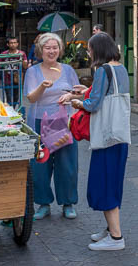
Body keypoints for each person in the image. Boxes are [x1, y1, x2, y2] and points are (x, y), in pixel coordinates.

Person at [60, 33, 129, 251]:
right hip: (120, 137)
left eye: (90, 50)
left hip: (106, 139)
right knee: (113, 183)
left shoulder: (101, 70)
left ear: (97, 50)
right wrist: (85, 91)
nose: (88, 53)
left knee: (104, 185)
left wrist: (77, 102)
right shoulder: (120, 68)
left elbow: (94, 104)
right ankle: (110, 229)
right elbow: (109, 94)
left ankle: (116, 238)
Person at [23, 32, 80, 220]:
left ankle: (68, 203)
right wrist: (42, 87)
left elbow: (78, 92)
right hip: (40, 122)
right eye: (47, 47)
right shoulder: (33, 71)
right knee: (41, 163)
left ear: (60, 50)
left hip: (65, 122)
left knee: (67, 163)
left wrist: (70, 96)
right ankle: (43, 203)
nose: (52, 51)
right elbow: (31, 97)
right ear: (40, 50)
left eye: (55, 47)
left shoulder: (68, 70)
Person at [0, 36, 28, 107]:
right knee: (9, 97)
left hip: (17, 79)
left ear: (17, 44)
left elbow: (25, 66)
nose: (13, 44)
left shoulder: (22, 54)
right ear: (7, 44)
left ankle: (13, 110)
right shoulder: (3, 54)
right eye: (11, 43)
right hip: (7, 79)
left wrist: (23, 61)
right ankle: (10, 111)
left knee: (16, 96)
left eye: (14, 43)